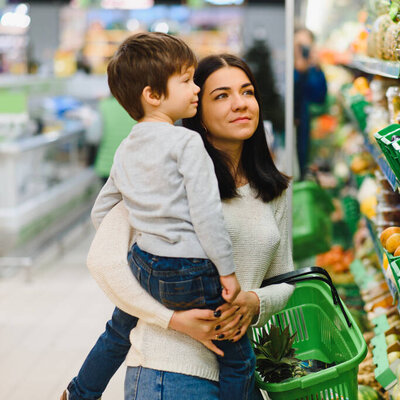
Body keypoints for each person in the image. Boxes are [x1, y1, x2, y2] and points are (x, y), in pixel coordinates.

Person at [64, 53, 294, 400]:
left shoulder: (274, 189)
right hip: (168, 372)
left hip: (239, 379)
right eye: (221, 96)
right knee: (119, 328)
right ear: (196, 109)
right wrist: (170, 318)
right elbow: (107, 262)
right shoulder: (165, 174)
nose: (240, 104)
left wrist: (253, 302)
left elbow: (285, 280)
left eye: (247, 92)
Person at [294, 27, 327, 180]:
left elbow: (319, 96)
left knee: (300, 162)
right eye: (299, 45)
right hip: (287, 128)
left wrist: (315, 67)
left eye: (306, 46)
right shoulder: (287, 66)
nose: (303, 50)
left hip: (303, 125)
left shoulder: (311, 68)